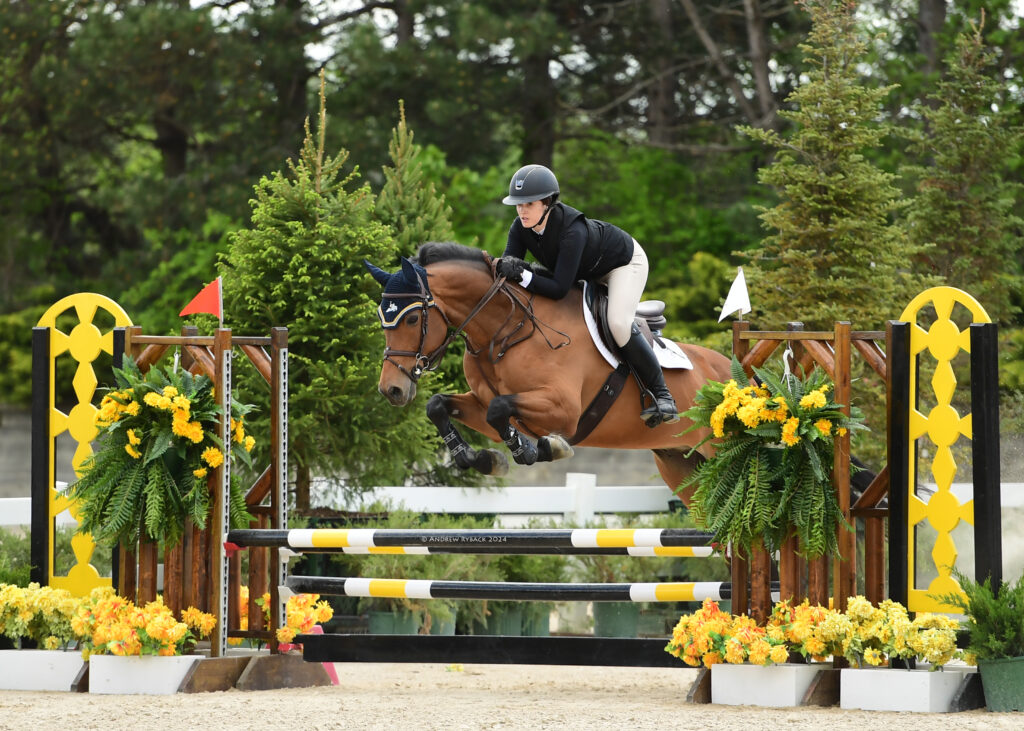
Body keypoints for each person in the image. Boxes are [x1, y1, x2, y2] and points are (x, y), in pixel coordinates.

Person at [496, 163, 678, 427]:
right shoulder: (520, 226)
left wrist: (522, 274)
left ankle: (663, 396)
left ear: (547, 203)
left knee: (617, 323)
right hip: (584, 271)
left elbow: (558, 288)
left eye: (529, 204)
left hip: (623, 265)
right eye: (518, 204)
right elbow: (511, 265)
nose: (522, 210)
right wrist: (504, 266)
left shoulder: (572, 231)